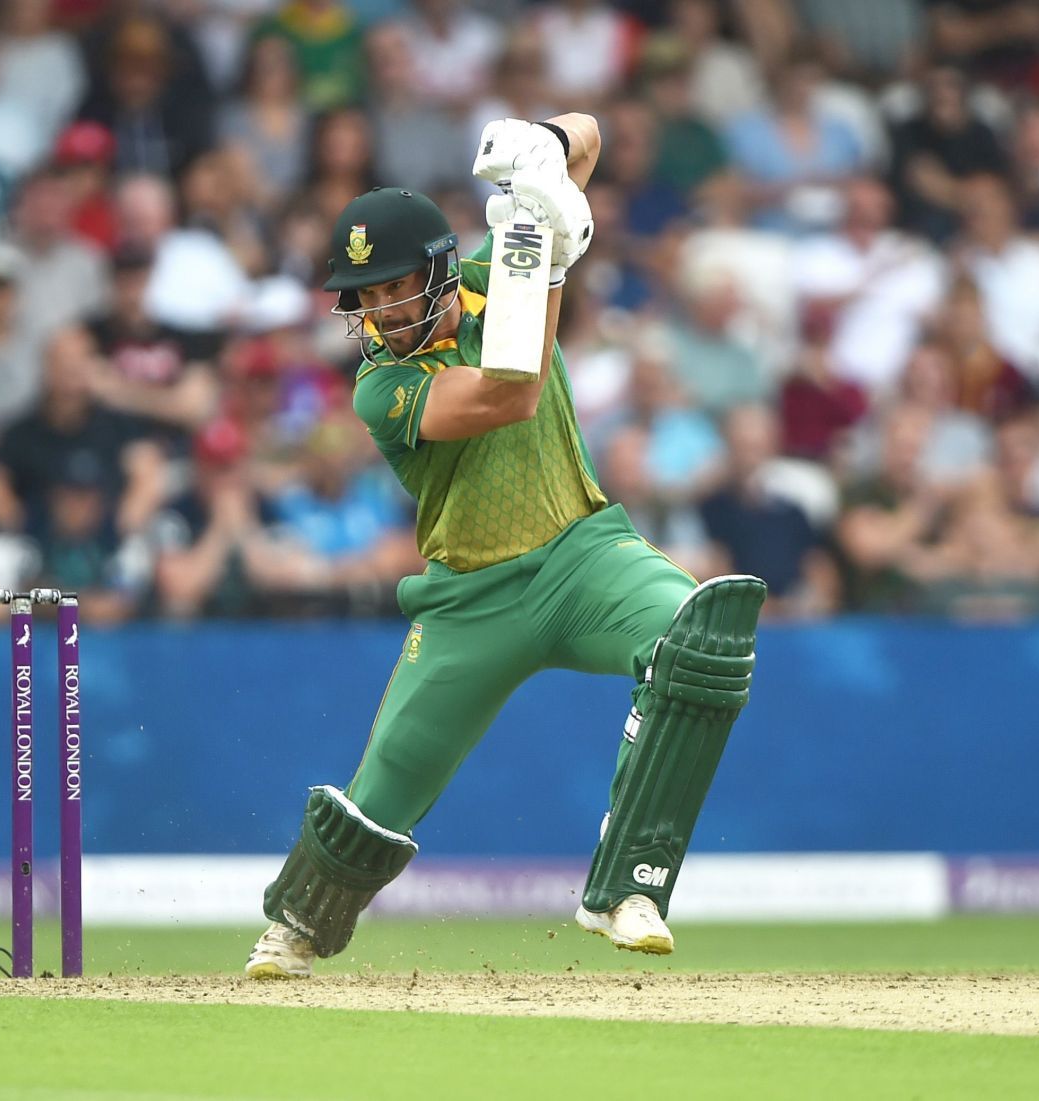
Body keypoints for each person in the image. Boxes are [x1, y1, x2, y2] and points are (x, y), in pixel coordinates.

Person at [242, 114, 767, 979]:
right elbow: (507, 394)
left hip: (585, 555)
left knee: (698, 636)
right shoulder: (384, 386)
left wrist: (540, 155)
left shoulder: (497, 274)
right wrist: (546, 253)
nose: (378, 310)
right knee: (382, 794)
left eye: (392, 287)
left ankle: (626, 884)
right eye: (363, 297)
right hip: (468, 599)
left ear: (442, 270)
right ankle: (296, 924)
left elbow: (593, 135)